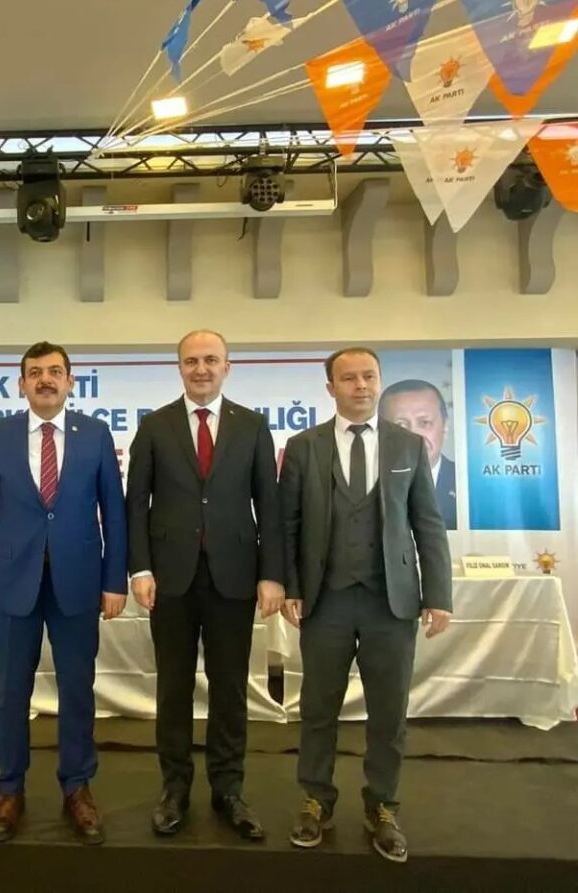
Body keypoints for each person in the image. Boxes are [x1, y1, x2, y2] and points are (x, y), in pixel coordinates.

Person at [279, 347, 452, 863]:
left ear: (379, 382)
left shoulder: (408, 445)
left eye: (369, 376)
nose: (360, 385)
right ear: (330, 388)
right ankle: (316, 800)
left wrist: (438, 595)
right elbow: (288, 527)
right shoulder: (303, 447)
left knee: (388, 713)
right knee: (318, 708)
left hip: (391, 604)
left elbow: (428, 524)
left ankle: (383, 807)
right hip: (325, 602)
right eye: (349, 378)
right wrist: (291, 586)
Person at [0, 341, 127, 845]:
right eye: (34, 372)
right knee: (11, 692)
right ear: (21, 384)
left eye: (55, 371)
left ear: (70, 381)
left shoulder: (95, 434)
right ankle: (9, 789)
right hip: (14, 582)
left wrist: (114, 580)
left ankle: (77, 786)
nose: (45, 380)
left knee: (77, 690)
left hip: (78, 581)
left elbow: (114, 510)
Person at [126, 329, 284, 841]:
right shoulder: (154, 426)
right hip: (169, 578)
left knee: (230, 687)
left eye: (211, 360)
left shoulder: (252, 426)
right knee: (173, 687)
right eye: (192, 360)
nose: (201, 369)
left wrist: (272, 573)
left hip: (234, 577)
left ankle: (228, 789)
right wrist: (140, 568)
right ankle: (174, 788)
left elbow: (270, 505)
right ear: (179, 367)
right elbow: (136, 505)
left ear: (227, 367)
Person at [379, 379, 457, 530]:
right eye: (400, 425)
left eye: (424, 423)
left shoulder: (469, 485)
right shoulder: (366, 484)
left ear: (445, 427)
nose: (413, 436)